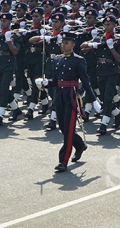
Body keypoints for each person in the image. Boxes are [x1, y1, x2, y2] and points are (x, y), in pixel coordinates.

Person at [38, 32, 100, 173]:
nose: (63, 45)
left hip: (71, 96)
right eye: (62, 42)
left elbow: (86, 81)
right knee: (62, 127)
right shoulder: (57, 59)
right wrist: (46, 83)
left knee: (69, 129)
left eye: (66, 43)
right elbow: (55, 79)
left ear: (73, 44)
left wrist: (93, 100)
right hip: (59, 96)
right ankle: (79, 145)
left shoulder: (78, 60)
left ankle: (63, 161)